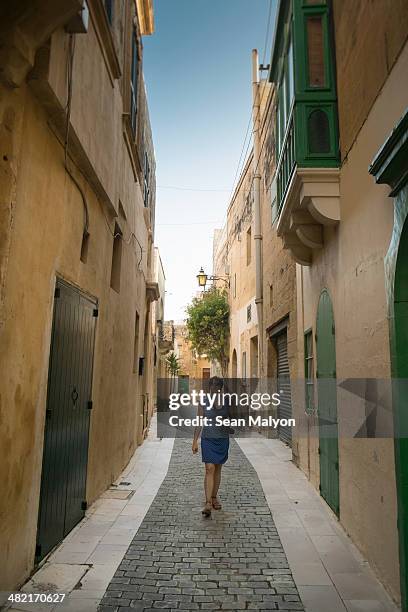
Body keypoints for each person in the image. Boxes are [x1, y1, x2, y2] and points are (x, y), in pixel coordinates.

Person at [192, 376, 230, 517]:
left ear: (220, 388)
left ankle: (214, 497)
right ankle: (208, 502)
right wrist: (195, 440)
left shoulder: (226, 401)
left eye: (217, 387)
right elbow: (199, 420)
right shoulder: (203, 401)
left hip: (222, 439)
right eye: (212, 387)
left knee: (218, 468)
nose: (214, 390)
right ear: (209, 388)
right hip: (208, 438)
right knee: (209, 468)